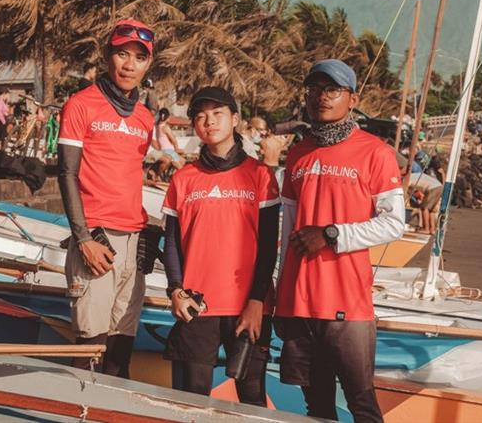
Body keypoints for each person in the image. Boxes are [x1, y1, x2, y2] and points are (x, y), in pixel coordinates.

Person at [276, 59, 405, 422]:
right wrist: (279, 293)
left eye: (332, 90)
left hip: (347, 304)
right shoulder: (299, 152)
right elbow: (288, 230)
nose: (321, 97)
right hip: (300, 302)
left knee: (362, 406)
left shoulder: (376, 152)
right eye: (314, 89)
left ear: (352, 98)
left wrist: (333, 235)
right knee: (316, 408)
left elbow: (394, 224)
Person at [161, 86, 280, 406]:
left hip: (249, 306)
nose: (209, 121)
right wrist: (175, 289)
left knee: (252, 395)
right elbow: (171, 240)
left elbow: (269, 245)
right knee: (192, 399)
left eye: (217, 114)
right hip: (198, 305)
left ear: (235, 120)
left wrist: (257, 301)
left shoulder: (261, 176)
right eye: (200, 116)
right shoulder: (184, 178)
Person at [57, 18, 155, 378]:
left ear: (148, 64)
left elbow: (128, 174)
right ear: (107, 55)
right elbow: (66, 173)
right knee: (90, 351)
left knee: (120, 354)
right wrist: (83, 238)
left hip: (134, 243)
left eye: (139, 58)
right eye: (121, 54)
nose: (129, 65)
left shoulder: (145, 118)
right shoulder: (81, 105)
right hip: (96, 240)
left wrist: (145, 235)